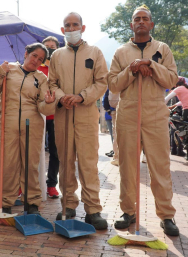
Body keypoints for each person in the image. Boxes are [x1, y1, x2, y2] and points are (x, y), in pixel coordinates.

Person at [108, 5, 179, 236]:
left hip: (155, 112)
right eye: (136, 18)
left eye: (144, 19)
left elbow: (172, 78)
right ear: (131, 25)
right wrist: (132, 69)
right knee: (128, 166)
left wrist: (151, 64)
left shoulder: (162, 48)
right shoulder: (120, 52)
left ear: (151, 24)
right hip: (127, 112)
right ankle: (128, 211)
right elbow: (113, 84)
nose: (140, 21)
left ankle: (166, 215)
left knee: (160, 165)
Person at [48, 12, 109, 230]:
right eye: (68, 25)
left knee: (88, 163)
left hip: (86, 113)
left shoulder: (95, 52)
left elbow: (102, 81)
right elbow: (51, 83)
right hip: (63, 114)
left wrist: (82, 96)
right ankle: (68, 205)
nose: (72, 28)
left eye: (75, 25)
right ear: (63, 30)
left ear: (83, 28)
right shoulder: (56, 55)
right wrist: (61, 95)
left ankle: (93, 210)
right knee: (65, 162)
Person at [0, 43, 55, 215]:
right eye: (34, 56)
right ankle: (5, 201)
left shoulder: (41, 78)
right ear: (26, 53)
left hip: (32, 123)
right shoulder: (7, 69)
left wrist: (48, 103)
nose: (36, 61)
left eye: (40, 59)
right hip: (8, 122)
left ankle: (32, 202)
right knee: (7, 163)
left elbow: (44, 109)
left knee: (30, 164)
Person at [39, 36, 60, 198]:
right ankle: (26, 184)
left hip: (56, 116)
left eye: (53, 47)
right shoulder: (36, 68)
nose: (50, 49)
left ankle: (51, 184)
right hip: (38, 116)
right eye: (47, 47)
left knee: (55, 152)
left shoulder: (60, 68)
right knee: (33, 152)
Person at [108, 90, 120, 166]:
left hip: (117, 111)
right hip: (117, 110)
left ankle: (117, 157)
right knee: (116, 135)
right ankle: (117, 157)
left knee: (116, 135)